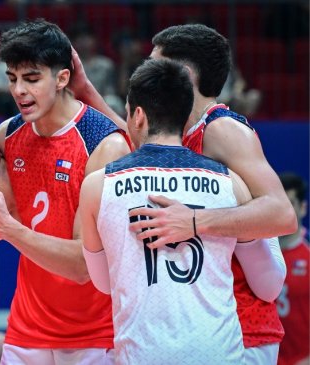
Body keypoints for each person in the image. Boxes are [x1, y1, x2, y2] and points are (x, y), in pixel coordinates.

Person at [71, 23, 294, 364]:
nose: (147, 70)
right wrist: (87, 93)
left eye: (154, 63)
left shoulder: (222, 129)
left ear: (184, 73)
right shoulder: (184, 130)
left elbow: (281, 214)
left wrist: (193, 221)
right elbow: (141, 134)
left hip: (242, 325)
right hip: (210, 313)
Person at [0, 19, 131, 364]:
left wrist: (6, 227)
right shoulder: (6, 135)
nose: (19, 91)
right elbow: (3, 216)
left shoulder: (104, 146)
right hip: (27, 328)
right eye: (12, 79)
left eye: (31, 78)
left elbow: (81, 265)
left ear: (61, 78)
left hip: (95, 332)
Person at [81, 57, 248, 364]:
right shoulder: (231, 183)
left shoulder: (97, 186)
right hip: (221, 353)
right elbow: (267, 277)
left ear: (138, 115)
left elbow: (103, 282)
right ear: (185, 117)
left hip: (143, 354)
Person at [277, 172, 309, 365]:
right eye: (281, 204)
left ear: (303, 208)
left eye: (291, 204)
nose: (285, 211)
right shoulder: (258, 252)